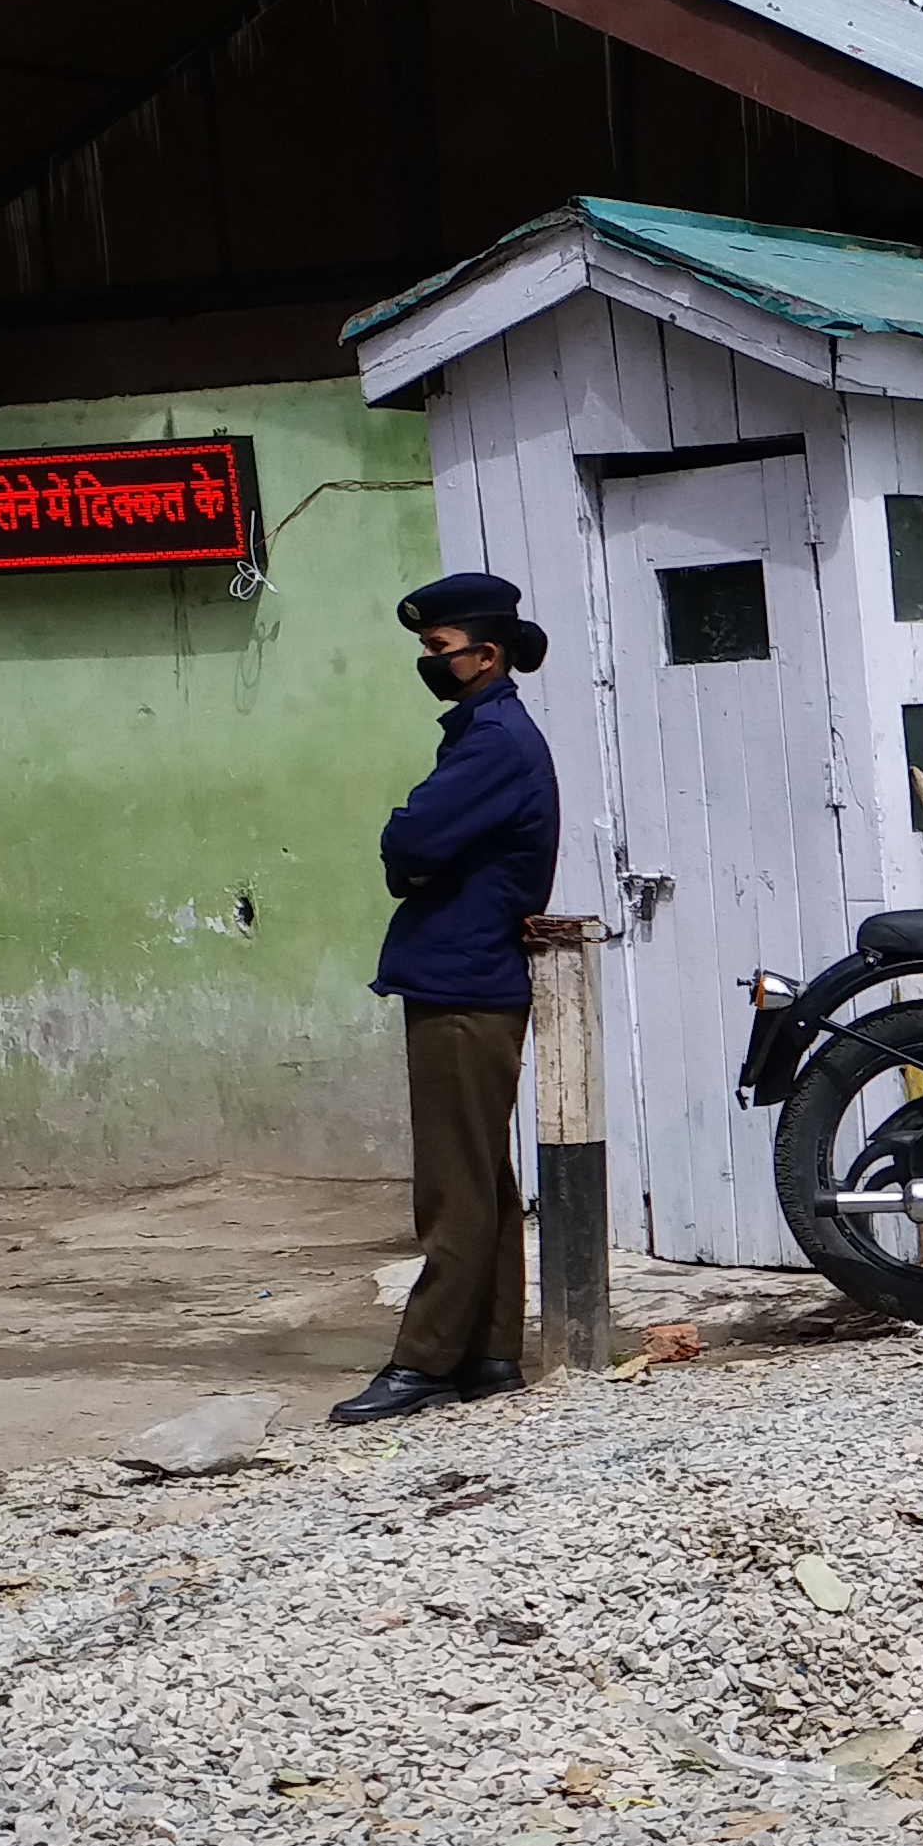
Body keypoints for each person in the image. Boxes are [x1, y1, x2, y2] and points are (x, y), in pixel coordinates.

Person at [332, 571, 562, 1426]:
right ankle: (489, 1352)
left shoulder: (496, 740)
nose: (429, 663)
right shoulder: (484, 733)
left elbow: (412, 836)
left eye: (437, 650)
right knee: (484, 1179)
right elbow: (421, 847)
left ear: (484, 655)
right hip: (466, 977)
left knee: (453, 1187)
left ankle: (424, 1362)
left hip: (464, 982)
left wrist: (411, 854)